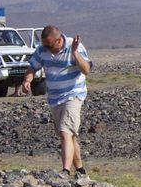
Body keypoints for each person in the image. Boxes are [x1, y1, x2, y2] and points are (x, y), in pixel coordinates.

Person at [21, 26, 91, 178]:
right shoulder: (42, 50)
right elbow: (32, 67)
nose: (48, 49)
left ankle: (65, 171)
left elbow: (86, 70)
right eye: (45, 45)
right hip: (54, 97)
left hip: (74, 94)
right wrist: (27, 80)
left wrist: (74, 53)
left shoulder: (74, 45)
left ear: (59, 40)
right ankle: (80, 170)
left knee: (65, 131)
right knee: (68, 135)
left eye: (50, 45)